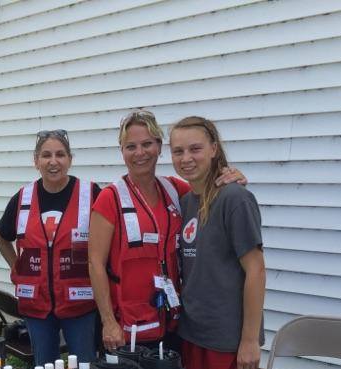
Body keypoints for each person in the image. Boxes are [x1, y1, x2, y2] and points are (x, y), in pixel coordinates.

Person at [89, 110, 245, 353]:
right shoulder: (110, 198)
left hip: (171, 320)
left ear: (159, 146)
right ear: (122, 151)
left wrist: (230, 175)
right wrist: (108, 322)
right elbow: (95, 263)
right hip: (127, 326)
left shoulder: (174, 189)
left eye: (147, 144)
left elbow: (209, 189)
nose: (140, 153)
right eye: (131, 146)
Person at [169, 115, 265, 369]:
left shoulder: (234, 198)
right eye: (178, 151)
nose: (187, 158)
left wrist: (250, 340)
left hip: (228, 338)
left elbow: (255, 270)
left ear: (213, 148)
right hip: (194, 331)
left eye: (195, 148)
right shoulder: (186, 200)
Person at [0, 130, 101, 366]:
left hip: (79, 302)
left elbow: (108, 241)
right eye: (46, 155)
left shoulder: (90, 194)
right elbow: (2, 237)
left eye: (60, 155)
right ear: (36, 161)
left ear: (70, 159)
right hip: (37, 306)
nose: (53, 162)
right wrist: (17, 267)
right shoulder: (22, 198)